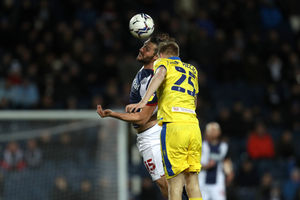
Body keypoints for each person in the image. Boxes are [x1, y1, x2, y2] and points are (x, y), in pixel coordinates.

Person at [97, 34, 172, 199]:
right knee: (169, 185)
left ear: (156, 56)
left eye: (147, 48)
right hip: (150, 134)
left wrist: (113, 114)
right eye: (143, 46)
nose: (141, 49)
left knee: (166, 185)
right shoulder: (143, 71)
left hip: (153, 136)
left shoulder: (154, 78)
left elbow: (142, 118)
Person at [127, 41, 202, 200]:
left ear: (160, 55)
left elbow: (159, 75)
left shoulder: (163, 63)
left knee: (174, 182)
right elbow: (194, 101)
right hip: (193, 126)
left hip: (174, 126)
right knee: (192, 182)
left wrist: (143, 101)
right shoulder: (192, 70)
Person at [198, 122, 234, 200]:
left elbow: (226, 160)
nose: (213, 132)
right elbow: (193, 164)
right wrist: (205, 166)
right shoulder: (200, 146)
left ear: (219, 132)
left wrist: (229, 172)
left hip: (218, 182)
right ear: (206, 132)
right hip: (202, 182)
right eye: (211, 130)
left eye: (215, 130)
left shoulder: (224, 146)